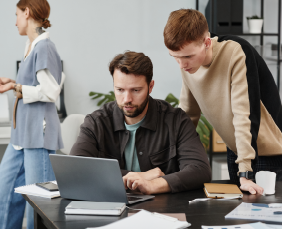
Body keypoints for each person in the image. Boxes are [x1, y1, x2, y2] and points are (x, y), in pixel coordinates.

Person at [162, 9, 282, 195]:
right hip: (238, 151)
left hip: (271, 154)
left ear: (207, 43)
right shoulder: (188, 63)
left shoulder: (236, 52)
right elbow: (188, 114)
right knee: (237, 220)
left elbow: (244, 115)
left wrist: (245, 172)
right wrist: (167, 165)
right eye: (175, 57)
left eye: (187, 57)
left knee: (266, 221)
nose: (181, 64)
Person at [70, 51, 211, 195]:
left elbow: (199, 170)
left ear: (150, 87)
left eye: (136, 90)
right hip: (110, 209)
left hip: (163, 211)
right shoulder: (96, 122)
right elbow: (75, 169)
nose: (127, 99)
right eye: (120, 90)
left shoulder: (176, 121)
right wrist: (141, 176)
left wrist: (153, 184)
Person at [0, 0, 63, 228]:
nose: (15, 21)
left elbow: (51, 91)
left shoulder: (44, 46)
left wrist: (15, 88)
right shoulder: (32, 46)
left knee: (38, 206)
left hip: (37, 137)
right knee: (1, 193)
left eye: (17, 14)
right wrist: (14, 81)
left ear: (27, 12)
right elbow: (36, 83)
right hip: (21, 136)